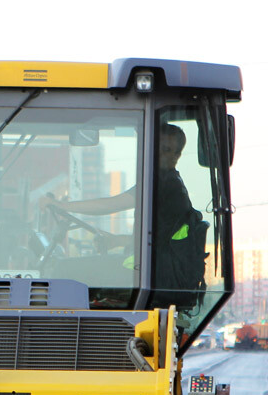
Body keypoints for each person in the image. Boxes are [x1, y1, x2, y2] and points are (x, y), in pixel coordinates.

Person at [39, 123, 206, 306]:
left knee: (64, 269)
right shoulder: (170, 182)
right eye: (156, 148)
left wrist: (60, 205)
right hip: (154, 268)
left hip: (151, 272)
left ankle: (58, 326)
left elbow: (111, 204)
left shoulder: (163, 183)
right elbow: (160, 241)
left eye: (166, 150)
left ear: (177, 155)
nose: (159, 154)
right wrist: (117, 241)